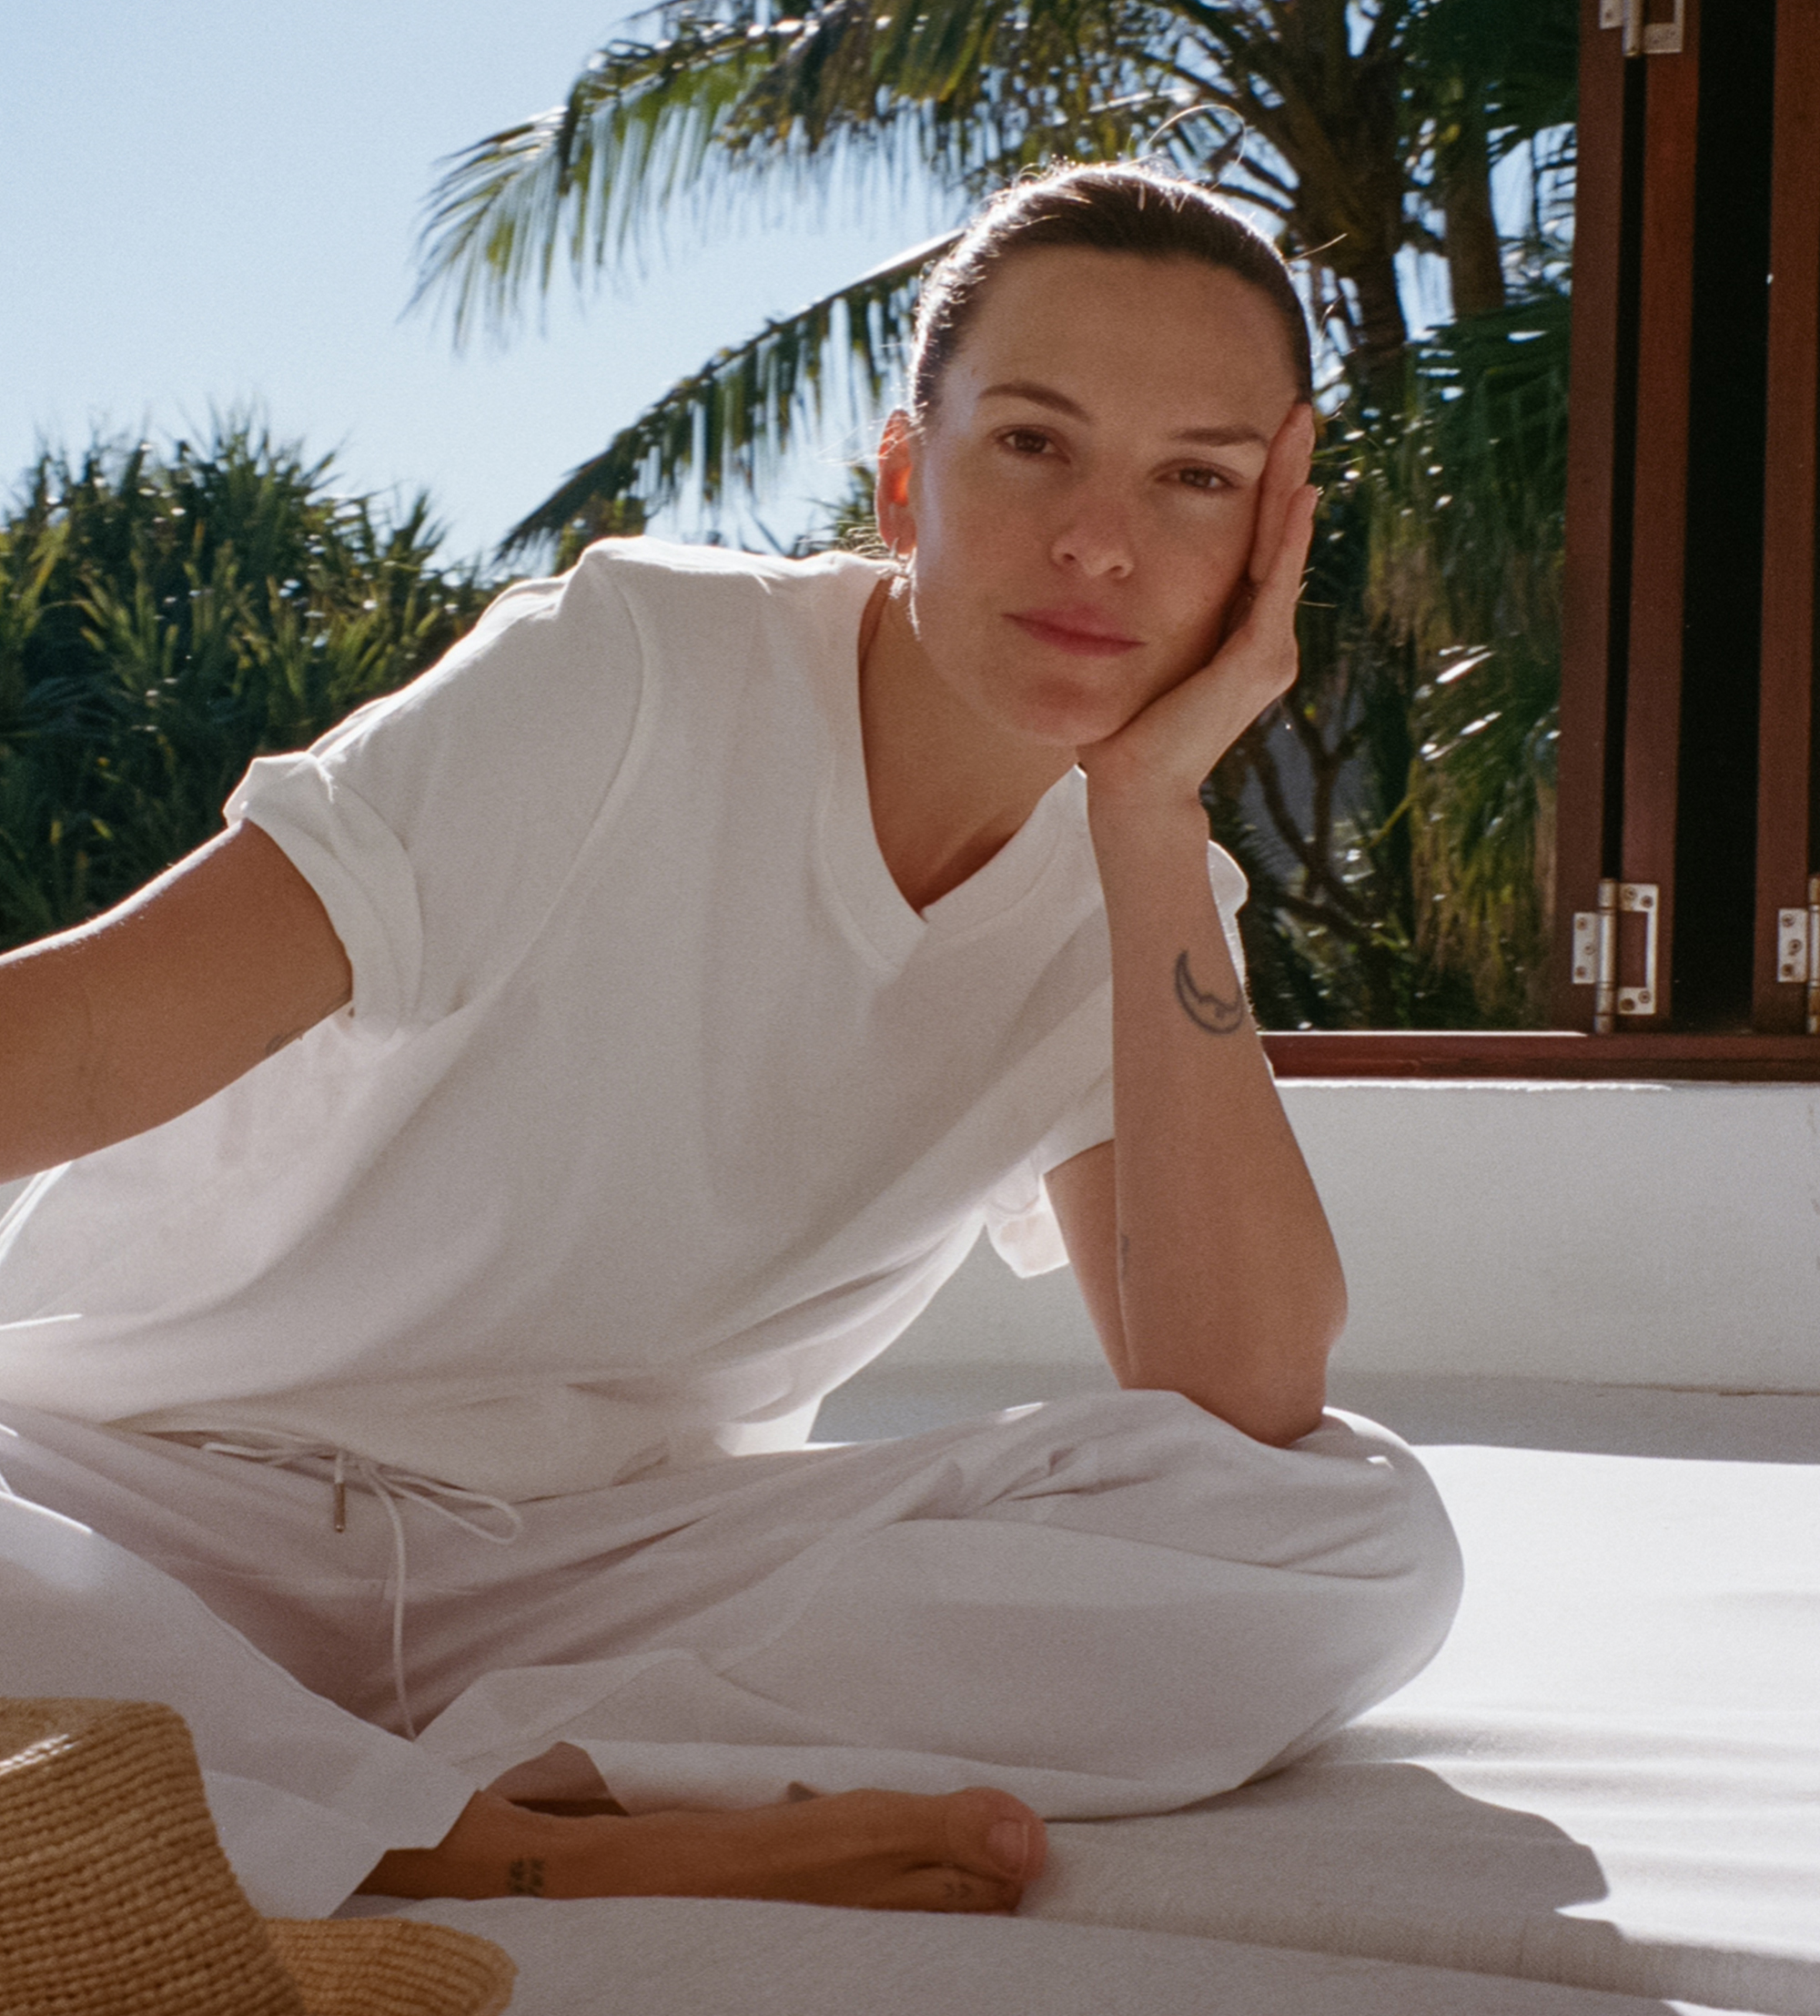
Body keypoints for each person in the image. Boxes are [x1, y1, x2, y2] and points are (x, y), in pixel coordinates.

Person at [0, 163, 1461, 1917]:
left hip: (574, 1573)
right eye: (1034, 445)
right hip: (147, 1496)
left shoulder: (1141, 890)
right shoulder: (625, 674)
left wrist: (1151, 813)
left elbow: (1237, 1407)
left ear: (1267, 542)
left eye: (1198, 480)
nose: (1101, 542)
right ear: (906, 478)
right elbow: (80, 1048)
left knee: (1352, 1536)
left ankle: (488, 1777)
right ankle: (480, 1840)